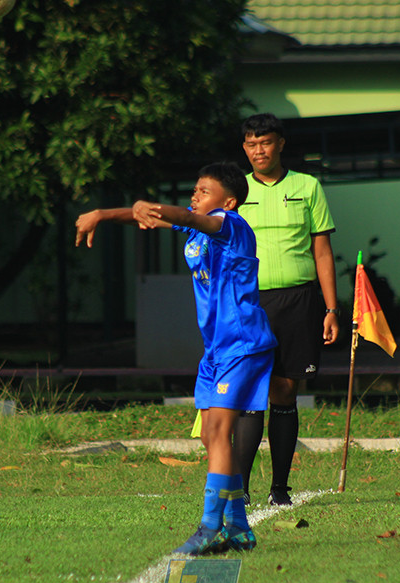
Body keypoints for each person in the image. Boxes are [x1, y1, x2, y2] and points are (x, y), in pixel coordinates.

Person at [75, 162, 276, 556]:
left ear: (229, 201)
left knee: (218, 433)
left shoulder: (230, 225)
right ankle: (238, 527)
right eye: (195, 189)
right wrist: (104, 213)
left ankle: (209, 527)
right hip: (217, 349)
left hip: (243, 343)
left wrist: (151, 206)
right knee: (208, 436)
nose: (195, 195)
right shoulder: (199, 225)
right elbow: (153, 220)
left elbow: (180, 215)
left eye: (205, 190)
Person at [234, 112, 340, 507]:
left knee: (284, 390)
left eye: (264, 142)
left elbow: (322, 250)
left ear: (280, 143)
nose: (258, 150)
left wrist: (331, 308)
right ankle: (239, 489)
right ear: (244, 148)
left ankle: (280, 488)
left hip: (298, 300)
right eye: (250, 143)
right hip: (249, 302)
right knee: (247, 391)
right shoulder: (235, 191)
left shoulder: (307, 186)